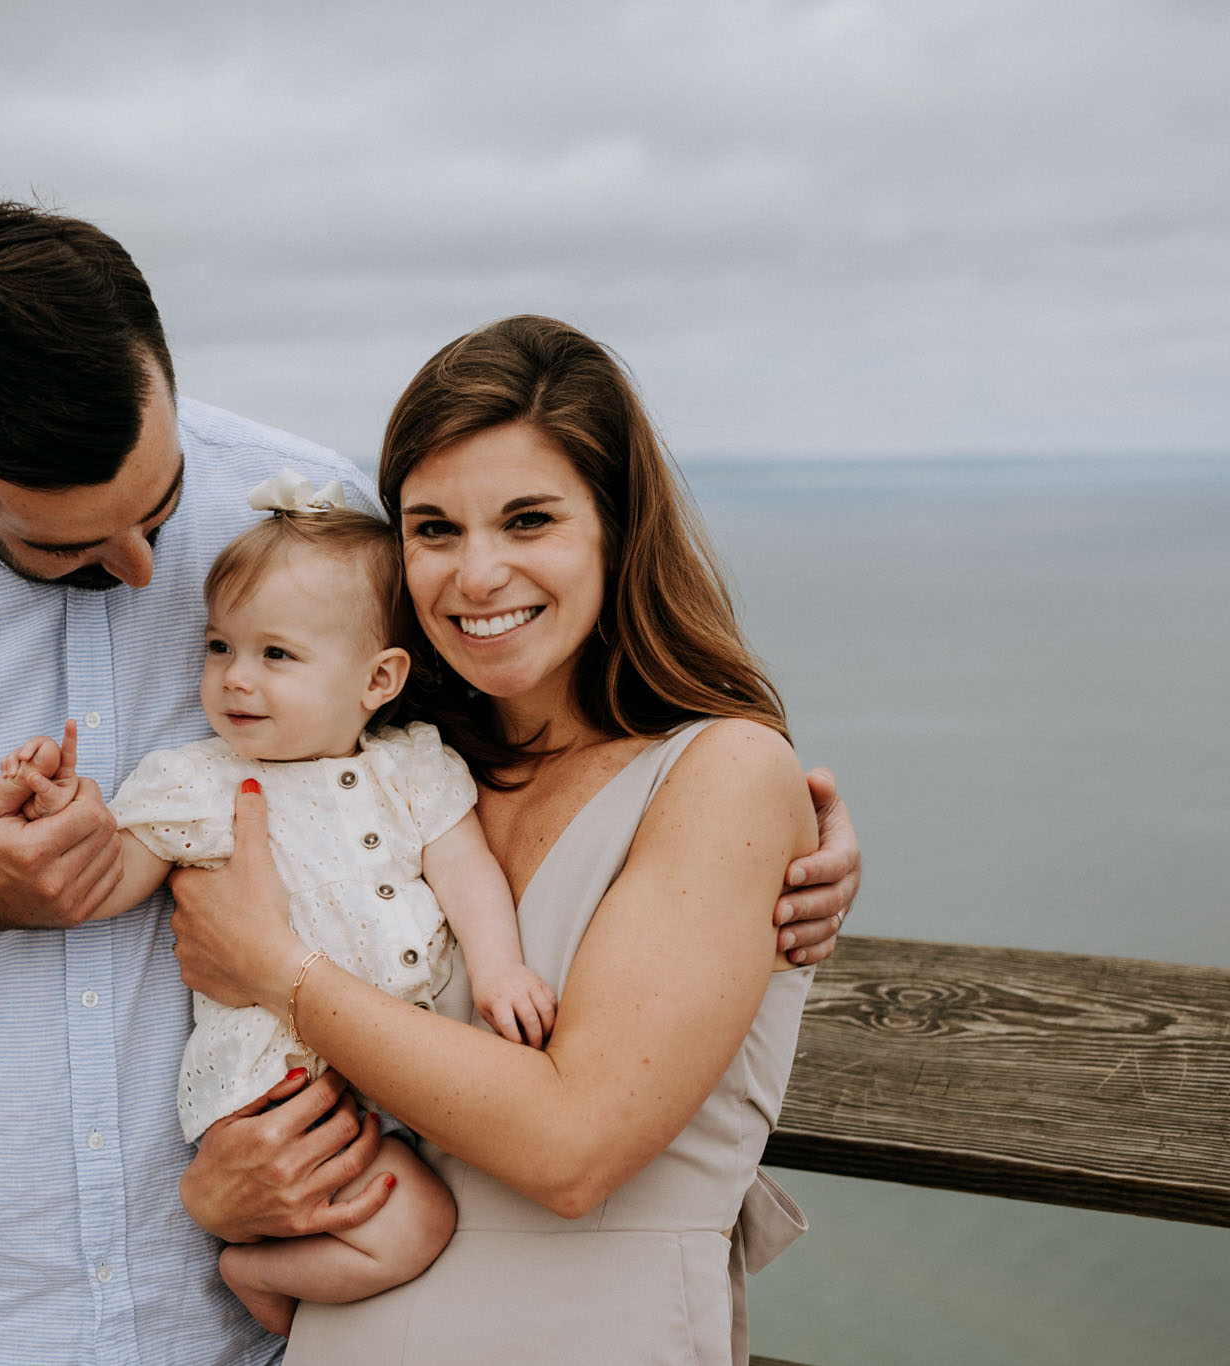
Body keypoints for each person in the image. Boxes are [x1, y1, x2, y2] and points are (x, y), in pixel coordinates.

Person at [0, 203, 860, 1366]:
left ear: (167, 381)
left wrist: (767, 854)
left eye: (160, 504)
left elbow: (471, 788)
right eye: (66, 546)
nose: (142, 570)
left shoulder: (307, 515)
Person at [168, 314, 835, 1362]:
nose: (474, 576)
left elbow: (571, 1150)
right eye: (432, 529)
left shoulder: (721, 774)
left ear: (616, 528)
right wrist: (218, 1187)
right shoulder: (408, 769)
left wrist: (275, 969)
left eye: (527, 521)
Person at [0, 486, 557, 1336]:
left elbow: (466, 863)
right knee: (421, 1226)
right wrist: (61, 814)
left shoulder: (410, 766)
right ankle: (260, 1277)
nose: (236, 678)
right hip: (278, 1090)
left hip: (404, 1063)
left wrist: (502, 965)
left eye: (277, 654)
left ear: (378, 679)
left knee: (474, 1214)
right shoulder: (201, 780)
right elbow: (105, 881)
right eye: (220, 646)